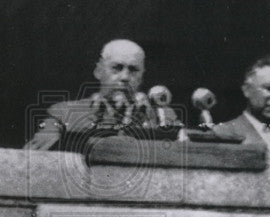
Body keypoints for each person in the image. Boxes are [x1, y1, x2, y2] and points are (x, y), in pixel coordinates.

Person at [24, 39, 178, 151]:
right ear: (98, 71)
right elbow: (36, 156)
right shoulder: (64, 114)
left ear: (141, 77)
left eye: (133, 70)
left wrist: (150, 116)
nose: (125, 77)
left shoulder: (160, 114)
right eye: (117, 68)